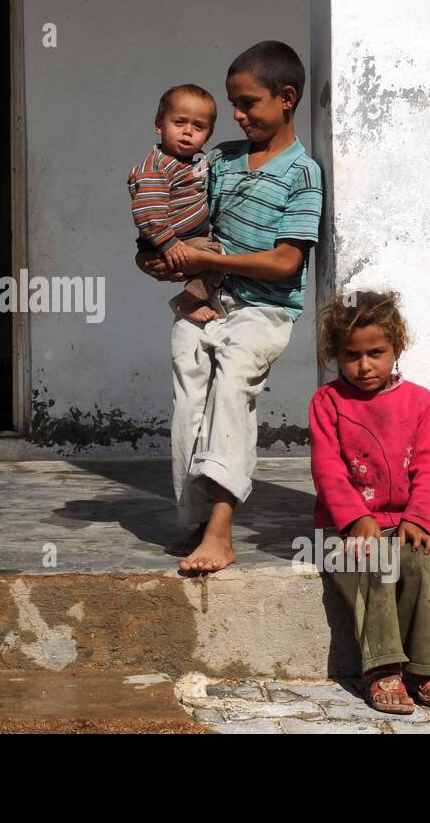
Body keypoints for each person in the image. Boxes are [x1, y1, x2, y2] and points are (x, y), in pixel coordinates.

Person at [136, 40, 322, 573]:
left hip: (263, 311)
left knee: (231, 390)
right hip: (205, 301)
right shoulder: (218, 161)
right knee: (189, 402)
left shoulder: (301, 174)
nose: (236, 116)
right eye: (232, 104)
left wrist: (209, 258)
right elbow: (179, 223)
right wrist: (152, 258)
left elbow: (287, 264)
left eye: (248, 104)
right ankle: (196, 519)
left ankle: (222, 528)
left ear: (286, 98)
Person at [308, 289, 430, 713]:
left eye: (377, 352)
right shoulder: (327, 403)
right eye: (351, 355)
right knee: (374, 560)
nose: (364, 365)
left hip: (402, 522)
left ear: (397, 348)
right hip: (342, 531)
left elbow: (428, 467)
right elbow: (328, 471)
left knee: (414, 562)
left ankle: (422, 669)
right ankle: (381, 669)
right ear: (336, 354)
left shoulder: (420, 403)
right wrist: (355, 519)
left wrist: (419, 520)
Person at [126, 84, 224, 323]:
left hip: (187, 238)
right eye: (179, 123)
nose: (187, 132)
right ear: (160, 124)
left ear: (208, 135)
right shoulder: (157, 166)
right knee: (219, 258)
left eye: (198, 126)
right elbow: (147, 211)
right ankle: (187, 302)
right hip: (169, 240)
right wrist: (168, 244)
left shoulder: (196, 161)